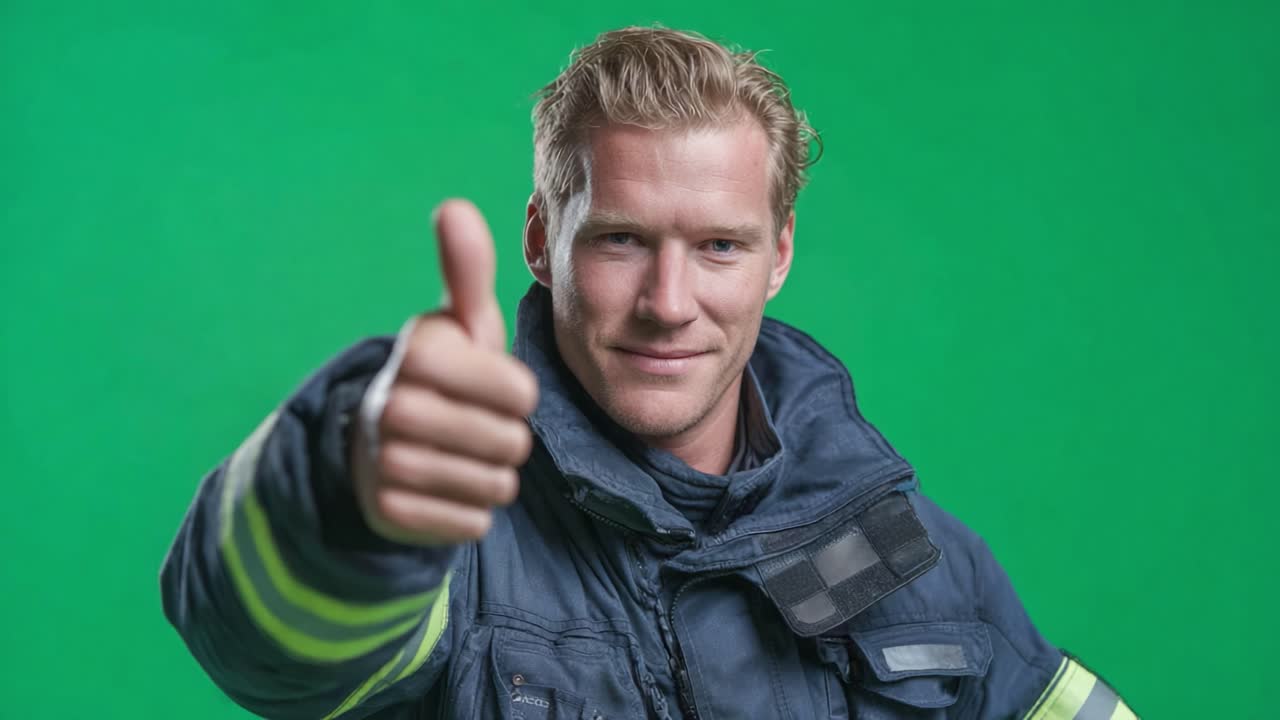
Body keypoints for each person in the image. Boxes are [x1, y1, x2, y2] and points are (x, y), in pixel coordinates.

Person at [161, 26, 1136, 720]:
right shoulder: (444, 536)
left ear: (779, 253)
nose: (668, 301)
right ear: (542, 240)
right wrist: (350, 495)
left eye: (717, 246)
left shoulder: (905, 552)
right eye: (621, 240)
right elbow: (262, 650)